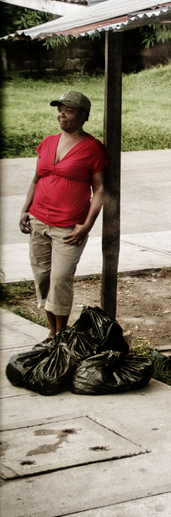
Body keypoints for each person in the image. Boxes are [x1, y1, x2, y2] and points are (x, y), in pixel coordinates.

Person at [19, 89, 107, 337]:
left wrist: (87, 226)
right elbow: (36, 179)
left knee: (60, 279)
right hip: (38, 220)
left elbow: (100, 190)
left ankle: (61, 332)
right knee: (43, 278)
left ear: (82, 115)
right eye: (60, 110)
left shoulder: (93, 148)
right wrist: (25, 210)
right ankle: (52, 333)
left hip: (68, 227)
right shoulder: (47, 143)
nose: (62, 115)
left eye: (68, 111)